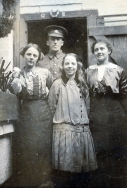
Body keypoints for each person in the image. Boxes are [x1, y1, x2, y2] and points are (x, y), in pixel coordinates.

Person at [48, 53, 97, 187]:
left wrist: (81, 121)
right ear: (63, 66)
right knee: (65, 168)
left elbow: (87, 105)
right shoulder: (57, 84)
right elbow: (51, 105)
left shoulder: (82, 84)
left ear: (77, 66)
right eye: (67, 64)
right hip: (63, 129)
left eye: (73, 64)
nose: (70, 66)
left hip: (81, 128)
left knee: (80, 169)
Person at [8, 43, 53, 186]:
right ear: (24, 55)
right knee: (27, 148)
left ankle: (43, 181)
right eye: (29, 54)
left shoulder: (45, 72)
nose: (31, 57)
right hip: (26, 113)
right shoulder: (18, 73)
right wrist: (15, 78)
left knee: (43, 147)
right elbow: (16, 93)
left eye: (34, 55)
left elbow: (52, 90)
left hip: (43, 113)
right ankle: (29, 182)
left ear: (38, 57)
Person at [86, 39, 127, 187]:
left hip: (114, 114)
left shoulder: (118, 70)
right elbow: (85, 93)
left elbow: (124, 94)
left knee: (115, 149)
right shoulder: (88, 70)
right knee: (98, 149)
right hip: (96, 113)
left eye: (102, 49)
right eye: (96, 50)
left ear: (109, 51)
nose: (99, 52)